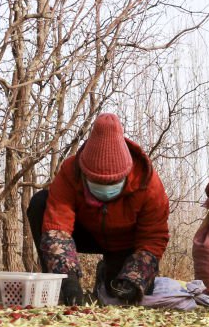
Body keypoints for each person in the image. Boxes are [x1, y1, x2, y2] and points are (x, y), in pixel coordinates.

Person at [27, 113, 170, 306]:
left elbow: (153, 238)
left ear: (126, 175)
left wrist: (135, 277)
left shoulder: (148, 184)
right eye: (96, 182)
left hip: (125, 241)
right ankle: (56, 287)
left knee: (122, 291)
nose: (104, 189)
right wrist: (66, 277)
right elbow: (57, 227)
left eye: (112, 183)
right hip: (86, 233)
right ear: (84, 174)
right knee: (39, 203)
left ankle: (107, 271)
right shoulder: (70, 171)